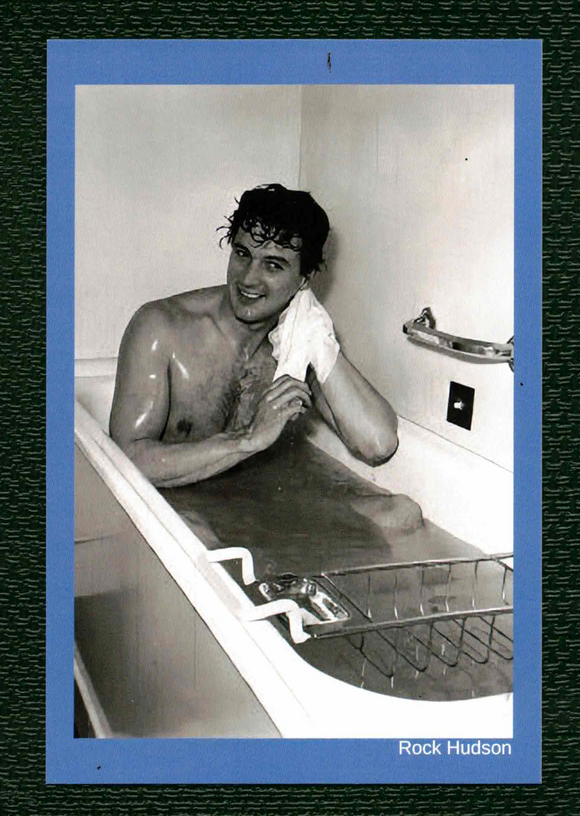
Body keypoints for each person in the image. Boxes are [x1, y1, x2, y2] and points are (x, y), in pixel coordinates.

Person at [110, 184, 398, 487]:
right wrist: (246, 440)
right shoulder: (161, 329)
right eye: (243, 254)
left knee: (401, 515)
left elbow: (377, 444)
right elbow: (126, 458)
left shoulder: (294, 349)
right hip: (174, 510)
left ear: (304, 278)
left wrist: (316, 333)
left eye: (273, 265)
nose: (248, 278)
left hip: (252, 503)